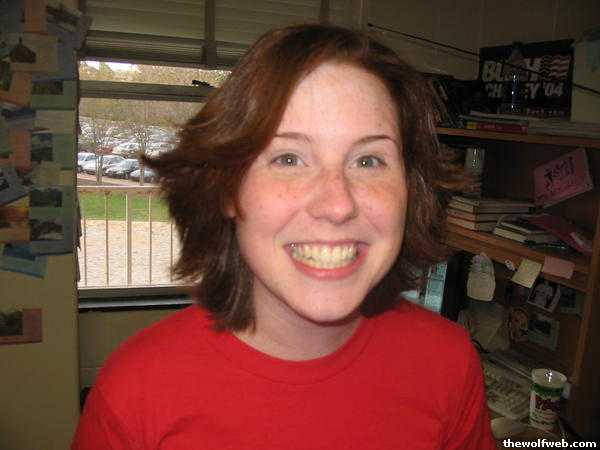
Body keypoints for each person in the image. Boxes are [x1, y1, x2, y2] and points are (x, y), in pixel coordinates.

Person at [72, 24, 497, 450]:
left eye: (368, 161)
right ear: (227, 190)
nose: (337, 205)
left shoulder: (449, 364)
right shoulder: (134, 394)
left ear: (410, 188)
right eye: (289, 159)